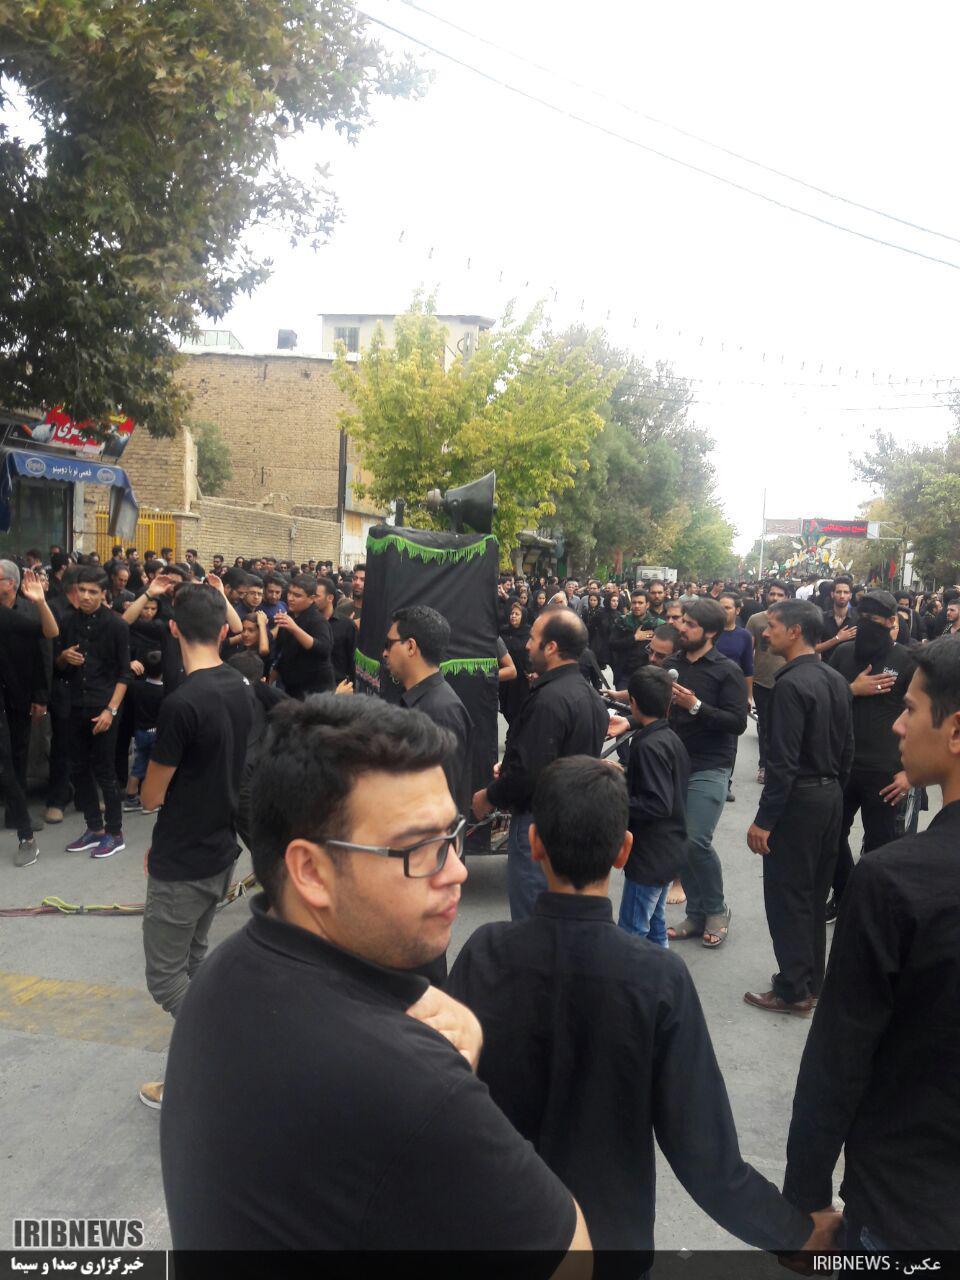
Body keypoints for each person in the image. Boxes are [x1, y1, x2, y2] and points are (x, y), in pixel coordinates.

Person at [159, 696, 592, 1260]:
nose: (457, 871)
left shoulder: (226, 973)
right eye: (421, 848)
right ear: (311, 871)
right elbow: (572, 1257)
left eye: (453, 836)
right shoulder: (411, 1083)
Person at [448, 755, 840, 1258]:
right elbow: (705, 1157)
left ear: (534, 842)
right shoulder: (657, 978)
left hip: (495, 1233)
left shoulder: (484, 953)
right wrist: (795, 1234)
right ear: (624, 851)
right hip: (609, 1244)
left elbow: (440, 1095)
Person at [783, 636, 960, 1250]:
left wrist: (805, 1199)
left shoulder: (895, 881)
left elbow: (839, 1053)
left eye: (910, 708)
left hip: (905, 1210)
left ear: (955, 731)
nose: (898, 726)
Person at [138, 584, 255, 1110]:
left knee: (167, 980)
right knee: (193, 963)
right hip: (218, 850)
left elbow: (150, 796)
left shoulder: (182, 702)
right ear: (224, 631)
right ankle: (190, 1076)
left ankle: (225, 1057)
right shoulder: (241, 685)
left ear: (173, 629)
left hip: (184, 857)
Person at [744, 600, 853, 1016]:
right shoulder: (835, 679)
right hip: (828, 796)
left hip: (800, 800)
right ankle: (810, 982)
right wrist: (834, 791)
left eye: (772, 625)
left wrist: (764, 820)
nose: (764, 632)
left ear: (795, 631)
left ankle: (793, 989)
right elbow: (847, 749)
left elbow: (782, 762)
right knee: (814, 891)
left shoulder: (790, 685)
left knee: (788, 896)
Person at [472, 608, 608, 921]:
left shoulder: (550, 700)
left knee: (533, 920)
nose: (526, 645)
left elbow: (530, 774)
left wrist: (489, 796)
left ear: (551, 647)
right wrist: (510, 766)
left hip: (541, 823)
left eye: (533, 639)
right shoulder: (587, 696)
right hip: (573, 821)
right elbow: (548, 757)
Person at [824, 590, 915, 921]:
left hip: (886, 773)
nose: (865, 626)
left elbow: (922, 718)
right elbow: (822, 701)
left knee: (881, 846)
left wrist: (909, 774)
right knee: (830, 836)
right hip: (840, 766)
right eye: (860, 619)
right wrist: (852, 690)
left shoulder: (908, 661)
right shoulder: (843, 654)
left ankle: (873, 909)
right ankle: (845, 893)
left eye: (873, 621)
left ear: (891, 622)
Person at [663, 598, 748, 948]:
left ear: (710, 632)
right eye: (682, 621)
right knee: (677, 841)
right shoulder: (671, 665)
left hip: (710, 764)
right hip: (673, 763)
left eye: (690, 624)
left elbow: (737, 722)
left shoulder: (727, 671)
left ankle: (716, 909)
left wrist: (695, 705)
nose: (681, 628)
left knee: (695, 839)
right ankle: (696, 914)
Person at [57, 567, 130, 860]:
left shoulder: (117, 625)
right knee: (78, 769)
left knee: (105, 770)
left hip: (104, 707)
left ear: (103, 594)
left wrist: (111, 710)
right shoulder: (67, 621)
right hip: (75, 705)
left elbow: (124, 674)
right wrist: (63, 657)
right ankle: (94, 828)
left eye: (92, 592)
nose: (85, 596)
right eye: (82, 590)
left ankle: (115, 832)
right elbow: (59, 668)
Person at [619, 667, 690, 946]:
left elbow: (657, 803)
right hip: (668, 848)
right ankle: (662, 972)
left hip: (650, 855)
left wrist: (614, 799)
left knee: (632, 931)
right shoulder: (669, 738)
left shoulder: (648, 745)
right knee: (654, 925)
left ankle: (634, 975)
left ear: (633, 702)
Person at [382, 606, 474, 822]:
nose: (384, 653)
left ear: (411, 646)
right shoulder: (420, 701)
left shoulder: (440, 712)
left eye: (389, 644)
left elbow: (440, 801)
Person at [0, 568, 59, 865]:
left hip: (15, 696)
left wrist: (41, 602)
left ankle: (25, 836)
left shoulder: (8, 615)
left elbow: (49, 633)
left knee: (8, 763)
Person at [746, 581, 788, 784]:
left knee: (784, 727)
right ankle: (764, 766)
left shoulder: (793, 621)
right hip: (762, 681)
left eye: (780, 595)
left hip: (787, 682)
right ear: (766, 595)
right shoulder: (755, 620)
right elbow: (748, 652)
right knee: (765, 726)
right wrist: (746, 687)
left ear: (787, 597)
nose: (775, 598)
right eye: (772, 594)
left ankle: (781, 767)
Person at [715, 591, 754, 803]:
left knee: (731, 740)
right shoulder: (709, 632)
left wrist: (749, 696)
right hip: (711, 690)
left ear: (737, 610)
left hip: (734, 693)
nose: (723, 611)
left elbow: (748, 668)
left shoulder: (744, 636)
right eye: (720, 607)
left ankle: (725, 783)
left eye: (727, 607)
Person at [273, 573, 334, 698]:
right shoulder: (289, 616)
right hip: (292, 687)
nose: (290, 598)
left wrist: (295, 629)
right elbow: (283, 652)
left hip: (315, 691)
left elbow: (324, 649)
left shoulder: (317, 620)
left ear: (311, 599)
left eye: (297, 595)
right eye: (289, 593)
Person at [122, 650, 165, 813]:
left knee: (138, 764)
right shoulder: (164, 692)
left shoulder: (136, 687)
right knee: (154, 767)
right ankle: (150, 801)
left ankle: (131, 798)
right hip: (156, 732)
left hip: (139, 732)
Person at [498, 599, 532, 723]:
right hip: (506, 677)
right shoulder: (504, 631)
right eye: (512, 613)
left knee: (519, 710)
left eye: (517, 614)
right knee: (506, 708)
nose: (513, 616)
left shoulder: (528, 633)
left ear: (523, 617)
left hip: (521, 678)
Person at [815, 575, 858, 656]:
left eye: (846, 592)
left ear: (850, 595)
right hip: (827, 663)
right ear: (832, 594)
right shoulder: (822, 618)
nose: (842, 596)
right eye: (838, 592)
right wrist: (837, 639)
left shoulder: (858, 619)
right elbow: (814, 648)